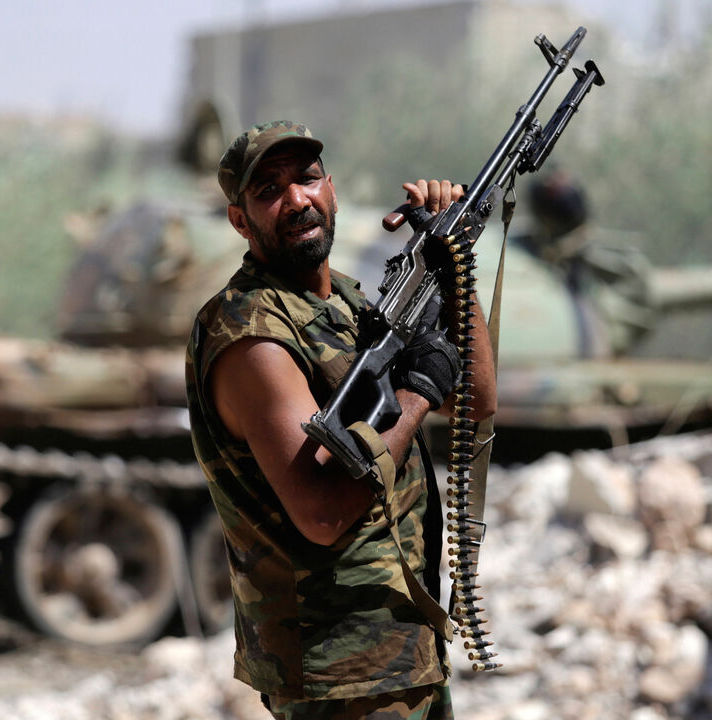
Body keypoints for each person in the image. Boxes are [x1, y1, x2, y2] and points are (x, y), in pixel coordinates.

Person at [185, 120, 496, 719]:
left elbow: (476, 403)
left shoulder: (349, 303)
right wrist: (419, 392)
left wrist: (456, 266)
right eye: (269, 190)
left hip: (402, 650)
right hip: (340, 675)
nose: (297, 200)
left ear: (331, 188)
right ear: (240, 221)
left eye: (306, 179)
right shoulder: (252, 335)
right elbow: (323, 512)